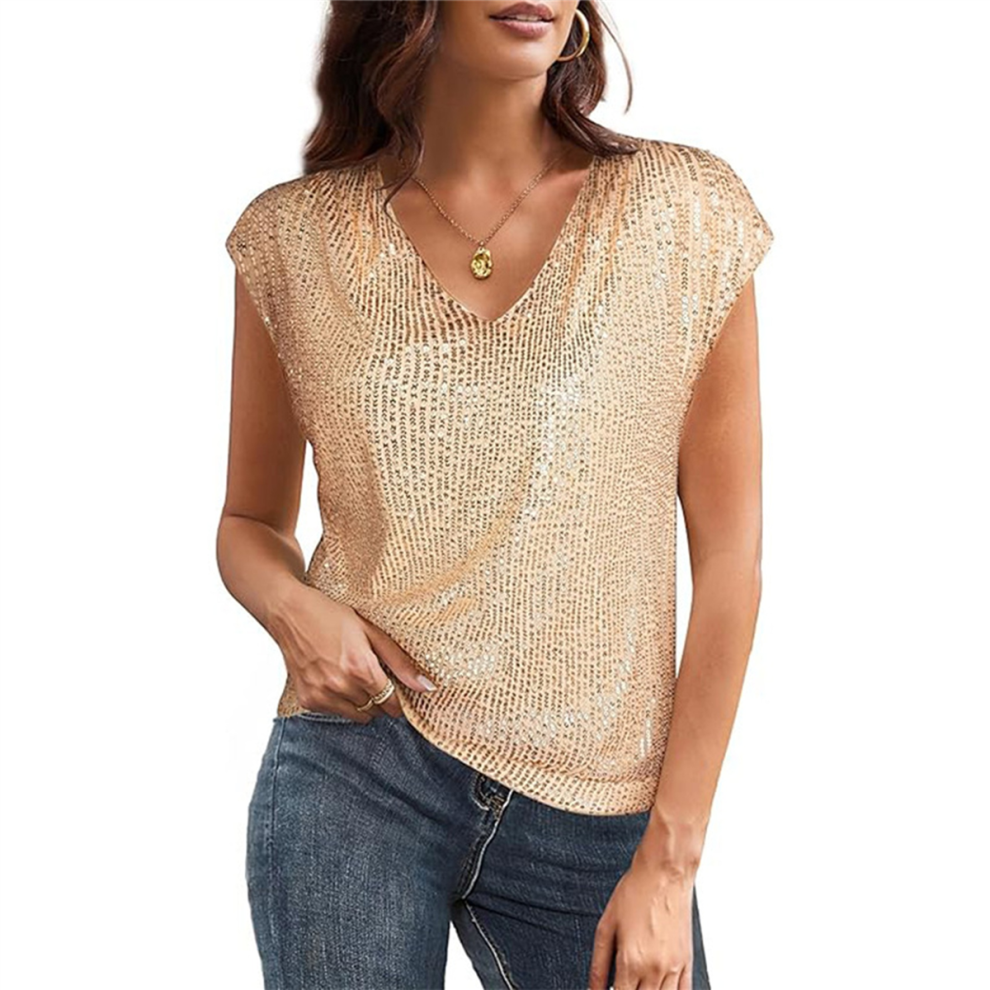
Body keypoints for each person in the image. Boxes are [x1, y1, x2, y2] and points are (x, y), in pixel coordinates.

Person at [217, 1, 773, 988]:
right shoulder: (297, 239)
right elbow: (249, 522)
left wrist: (670, 863)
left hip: (603, 798)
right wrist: (295, 611)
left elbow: (731, 560)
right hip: (360, 766)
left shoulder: (682, 212)